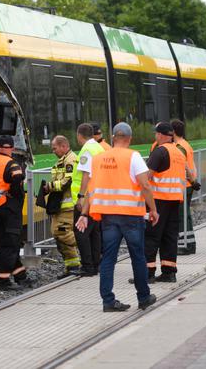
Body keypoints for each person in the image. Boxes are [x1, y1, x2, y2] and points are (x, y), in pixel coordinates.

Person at [78, 122, 158, 311]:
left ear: (113, 138)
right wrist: (153, 209)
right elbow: (145, 185)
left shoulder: (98, 159)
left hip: (108, 217)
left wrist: (84, 213)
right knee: (137, 256)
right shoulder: (133, 156)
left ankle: (108, 301)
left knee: (108, 258)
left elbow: (91, 189)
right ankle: (143, 297)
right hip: (131, 216)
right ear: (130, 139)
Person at [138, 122, 186, 283]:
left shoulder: (160, 152)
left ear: (160, 135)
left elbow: (147, 176)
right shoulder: (178, 152)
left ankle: (148, 272)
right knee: (169, 236)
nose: (155, 136)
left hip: (159, 200)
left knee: (151, 235)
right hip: (175, 200)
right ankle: (169, 272)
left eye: (156, 134)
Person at [0, 135, 28, 289]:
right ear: (12, 149)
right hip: (9, 208)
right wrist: (14, 194)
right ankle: (2, 281)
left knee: (6, 241)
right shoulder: (12, 163)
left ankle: (20, 276)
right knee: (10, 243)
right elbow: (17, 177)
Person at [44, 135, 81, 277]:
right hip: (60, 206)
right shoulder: (63, 160)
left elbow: (68, 181)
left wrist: (50, 187)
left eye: (55, 148)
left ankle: (89, 248)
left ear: (63, 146)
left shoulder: (70, 159)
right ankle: (72, 266)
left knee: (63, 232)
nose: (53, 151)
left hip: (68, 206)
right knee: (57, 233)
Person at [72, 123, 105, 276]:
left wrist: (81, 196)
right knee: (95, 231)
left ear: (80, 135)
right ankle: (95, 264)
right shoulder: (99, 148)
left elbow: (86, 175)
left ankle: (87, 266)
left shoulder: (86, 150)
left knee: (81, 231)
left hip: (87, 197)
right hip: (97, 194)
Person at [171, 119, 200, 255]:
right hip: (188, 184)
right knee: (186, 214)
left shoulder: (179, 147)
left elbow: (185, 165)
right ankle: (191, 243)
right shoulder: (185, 144)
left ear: (174, 132)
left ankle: (185, 245)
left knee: (182, 215)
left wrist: (193, 180)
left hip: (184, 184)